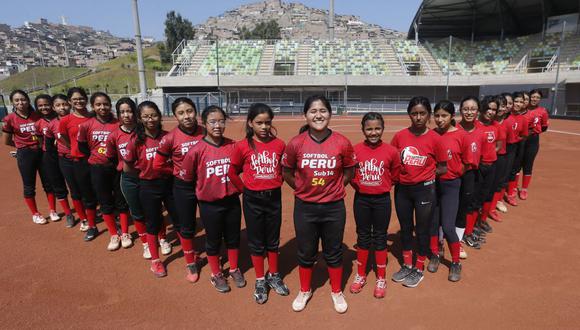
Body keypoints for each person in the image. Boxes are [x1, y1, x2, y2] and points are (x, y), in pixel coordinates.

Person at [282, 95, 356, 313]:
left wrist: (335, 188)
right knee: (306, 252)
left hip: (334, 207)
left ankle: (336, 291)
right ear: (305, 115)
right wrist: (302, 188)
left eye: (323, 110)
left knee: (333, 251)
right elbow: (286, 171)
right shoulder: (296, 143)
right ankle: (305, 290)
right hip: (305, 207)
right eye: (313, 111)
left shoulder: (342, 142)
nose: (318, 115)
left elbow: (349, 170)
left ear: (330, 114)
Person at [228, 103, 289, 304]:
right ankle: (261, 279)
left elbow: (285, 169)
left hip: (273, 197)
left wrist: (277, 180)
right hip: (253, 198)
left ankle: (274, 274)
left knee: (272, 239)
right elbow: (232, 171)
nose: (263, 127)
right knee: (256, 241)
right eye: (259, 123)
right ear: (250, 123)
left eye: (267, 123)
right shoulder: (242, 146)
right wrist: (244, 189)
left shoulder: (279, 144)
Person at [180, 105, 244, 293]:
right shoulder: (196, 150)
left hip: (231, 201)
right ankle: (216, 273)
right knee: (213, 240)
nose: (218, 125)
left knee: (233, 237)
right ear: (204, 123)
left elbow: (240, 170)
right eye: (213, 121)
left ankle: (233, 268)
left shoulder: (233, 146)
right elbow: (187, 179)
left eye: (221, 121)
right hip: (209, 204)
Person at [390, 96, 447, 288]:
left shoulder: (436, 139)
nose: (418, 117)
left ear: (428, 115)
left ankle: (419, 267)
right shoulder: (399, 136)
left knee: (422, 229)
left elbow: (443, 167)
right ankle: (407, 264)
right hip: (402, 190)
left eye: (422, 113)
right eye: (414, 113)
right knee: (406, 228)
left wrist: (426, 176)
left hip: (425, 191)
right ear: (409, 115)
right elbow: (392, 160)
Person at [349, 112, 399, 298]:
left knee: (379, 236)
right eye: (369, 128)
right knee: (362, 236)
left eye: (377, 128)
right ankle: (361, 274)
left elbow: (395, 175)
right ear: (363, 129)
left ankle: (381, 277)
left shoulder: (391, 151)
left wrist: (381, 185)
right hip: (361, 199)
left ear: (383, 129)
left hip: (382, 200)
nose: (373, 132)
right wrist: (363, 186)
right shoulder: (355, 150)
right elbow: (352, 176)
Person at [124, 101, 177, 277]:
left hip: (169, 184)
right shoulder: (135, 141)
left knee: (180, 219)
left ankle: (190, 255)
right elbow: (128, 167)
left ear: (159, 116)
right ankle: (155, 261)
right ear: (140, 118)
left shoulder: (168, 136)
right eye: (146, 116)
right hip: (148, 186)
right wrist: (144, 175)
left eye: (153, 115)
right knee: (152, 223)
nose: (151, 119)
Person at [154, 97, 205, 280]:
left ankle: (214, 256)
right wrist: (178, 171)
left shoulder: (205, 132)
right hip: (183, 187)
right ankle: (190, 263)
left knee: (211, 221)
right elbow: (158, 164)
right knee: (186, 225)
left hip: (206, 185)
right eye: (181, 113)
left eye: (190, 111)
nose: (187, 116)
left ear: (196, 111)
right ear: (175, 116)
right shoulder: (169, 138)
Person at [77, 92, 130, 250]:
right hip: (97, 168)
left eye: (106, 104)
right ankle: (114, 234)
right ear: (92, 106)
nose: (102, 107)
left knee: (121, 201)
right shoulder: (86, 125)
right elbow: (82, 147)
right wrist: (95, 157)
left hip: (116, 167)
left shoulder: (117, 123)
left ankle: (125, 232)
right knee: (105, 202)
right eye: (98, 104)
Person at [428, 101, 469, 282]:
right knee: (432, 223)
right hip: (431, 184)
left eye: (444, 115)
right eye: (437, 115)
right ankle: (436, 253)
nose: (439, 119)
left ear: (452, 116)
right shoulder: (432, 134)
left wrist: (456, 174)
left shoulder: (461, 135)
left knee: (448, 225)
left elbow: (467, 162)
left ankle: (455, 262)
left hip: (451, 185)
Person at [2, 90, 50, 224]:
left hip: (41, 151)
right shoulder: (9, 118)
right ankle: (35, 213)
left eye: (23, 99)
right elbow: (6, 141)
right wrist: (21, 146)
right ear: (12, 103)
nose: (20, 103)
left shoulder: (37, 116)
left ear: (28, 100)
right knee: (29, 185)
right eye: (16, 100)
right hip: (25, 154)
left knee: (48, 182)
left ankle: (52, 210)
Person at [59, 87, 96, 240]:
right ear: (69, 101)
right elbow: (65, 139)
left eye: (81, 98)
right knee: (85, 194)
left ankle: (111, 219)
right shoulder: (66, 120)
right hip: (79, 161)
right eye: (75, 99)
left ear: (86, 99)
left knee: (101, 192)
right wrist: (75, 149)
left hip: (97, 161)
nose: (79, 101)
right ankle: (91, 225)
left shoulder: (94, 117)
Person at [105, 98, 141, 250]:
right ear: (118, 114)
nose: (126, 115)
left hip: (147, 176)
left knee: (151, 207)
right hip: (127, 177)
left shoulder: (143, 130)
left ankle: (160, 237)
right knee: (133, 207)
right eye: (122, 112)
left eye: (129, 111)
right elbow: (112, 156)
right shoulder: (114, 135)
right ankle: (136, 236)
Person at [34, 94, 74, 225]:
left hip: (72, 158)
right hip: (53, 157)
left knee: (76, 186)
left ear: (69, 104)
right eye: (58, 105)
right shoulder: (50, 124)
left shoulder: (76, 119)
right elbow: (45, 143)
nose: (62, 107)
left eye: (64, 104)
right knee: (58, 186)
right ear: (54, 107)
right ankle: (68, 214)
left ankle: (84, 211)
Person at [455, 96, 486, 250]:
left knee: (465, 206)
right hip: (454, 175)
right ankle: (444, 239)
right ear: (460, 110)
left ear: (478, 111)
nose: (469, 112)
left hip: (471, 174)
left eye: (473, 109)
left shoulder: (481, 131)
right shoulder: (453, 129)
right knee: (451, 206)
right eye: (466, 109)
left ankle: (460, 238)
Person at [473, 96, 501, 234]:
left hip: (492, 166)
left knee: (487, 195)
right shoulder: (475, 125)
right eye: (488, 108)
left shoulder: (496, 126)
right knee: (475, 197)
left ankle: (481, 221)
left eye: (494, 109)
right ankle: (471, 227)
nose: (491, 112)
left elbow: (498, 145)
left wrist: (489, 154)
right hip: (478, 167)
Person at [518, 89, 549, 200]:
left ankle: (524, 189)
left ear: (540, 99)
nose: (534, 99)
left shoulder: (543, 111)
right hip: (521, 139)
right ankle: (511, 189)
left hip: (532, 140)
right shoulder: (522, 109)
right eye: (533, 97)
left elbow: (544, 127)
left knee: (528, 164)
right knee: (517, 164)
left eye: (537, 97)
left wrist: (534, 131)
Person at [487, 95, 508, 222]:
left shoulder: (504, 123)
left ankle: (492, 208)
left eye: (503, 106)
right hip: (486, 159)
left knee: (497, 184)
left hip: (500, 157)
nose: (500, 109)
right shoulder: (484, 124)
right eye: (497, 106)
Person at [505, 92, 529, 206]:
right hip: (501, 148)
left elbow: (524, 135)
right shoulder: (505, 116)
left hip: (513, 148)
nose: (518, 104)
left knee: (513, 171)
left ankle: (510, 194)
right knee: (501, 174)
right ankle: (497, 200)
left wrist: (515, 140)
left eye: (521, 102)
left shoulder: (523, 119)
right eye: (516, 101)